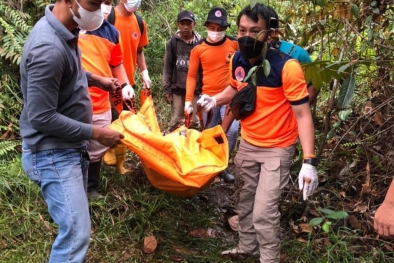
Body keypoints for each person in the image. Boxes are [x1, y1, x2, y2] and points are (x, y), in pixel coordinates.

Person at [197, 4, 318, 262]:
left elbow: (303, 114)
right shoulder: (238, 60)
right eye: (242, 30)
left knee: (264, 211)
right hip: (248, 145)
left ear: (271, 34)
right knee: (244, 202)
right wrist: (214, 100)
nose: (246, 36)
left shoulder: (287, 67)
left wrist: (309, 162)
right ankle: (246, 247)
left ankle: (269, 258)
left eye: (255, 31)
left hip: (277, 149)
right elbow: (235, 89)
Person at [19, 1, 124, 262]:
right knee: (76, 233)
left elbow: (67, 73)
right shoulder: (48, 48)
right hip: (52, 153)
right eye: (92, 3)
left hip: (67, 147)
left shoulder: (65, 31)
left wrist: (95, 79)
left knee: (77, 230)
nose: (98, 11)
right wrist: (97, 133)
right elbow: (41, 117)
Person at [79, 1, 134, 198]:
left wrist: (126, 84)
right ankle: (71, 190)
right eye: (101, 2)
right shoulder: (72, 27)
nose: (104, 6)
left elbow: (116, 63)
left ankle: (90, 187)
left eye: (108, 2)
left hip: (101, 102)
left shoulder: (111, 32)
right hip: (74, 103)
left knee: (96, 149)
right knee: (72, 146)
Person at [184, 7, 239, 184]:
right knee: (209, 131)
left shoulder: (234, 44)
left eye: (220, 28)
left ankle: (223, 165)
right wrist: (188, 101)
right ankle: (207, 164)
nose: (216, 32)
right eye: (213, 28)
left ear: (225, 28)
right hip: (208, 97)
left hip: (230, 96)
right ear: (207, 26)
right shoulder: (198, 50)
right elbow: (192, 76)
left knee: (231, 130)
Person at [162, 10, 202, 132]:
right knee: (176, 119)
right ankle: (175, 145)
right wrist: (166, 89)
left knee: (194, 120)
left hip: (195, 89)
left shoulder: (200, 43)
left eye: (188, 23)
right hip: (177, 87)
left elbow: (204, 68)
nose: (185, 27)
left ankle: (193, 145)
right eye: (182, 23)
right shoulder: (172, 43)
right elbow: (167, 67)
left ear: (194, 24)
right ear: (178, 24)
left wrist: (204, 89)